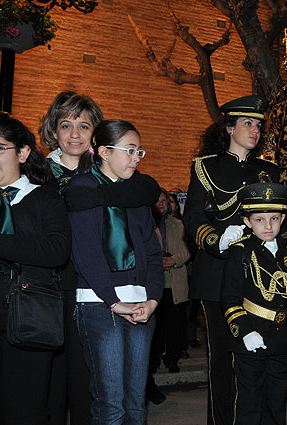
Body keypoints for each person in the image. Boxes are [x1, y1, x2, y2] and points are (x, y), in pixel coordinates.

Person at [39, 90, 161, 425]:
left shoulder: (116, 178)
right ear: (54, 130)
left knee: (104, 391)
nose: (75, 133)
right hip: (68, 289)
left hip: (119, 289)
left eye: (84, 125)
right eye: (66, 125)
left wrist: (94, 193)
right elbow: (84, 245)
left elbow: (148, 193)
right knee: (75, 385)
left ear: (97, 137)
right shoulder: (40, 172)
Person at [182, 95, 280, 425]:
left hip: (260, 277)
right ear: (229, 127)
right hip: (218, 274)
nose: (255, 130)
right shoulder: (205, 166)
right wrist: (215, 239)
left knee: (259, 359)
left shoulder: (269, 171)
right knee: (221, 362)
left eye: (258, 125)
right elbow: (193, 217)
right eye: (247, 123)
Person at [67, 119, 163, 425]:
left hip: (141, 304)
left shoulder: (135, 195)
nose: (136, 158)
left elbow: (151, 251)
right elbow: (86, 253)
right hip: (99, 304)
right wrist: (112, 300)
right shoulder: (82, 189)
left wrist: (154, 300)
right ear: (104, 152)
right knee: (111, 406)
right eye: (130, 150)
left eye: (139, 152)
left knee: (136, 406)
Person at [0, 112, 72, 424]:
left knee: (26, 410)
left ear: (22, 152)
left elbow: (58, 250)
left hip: (32, 321)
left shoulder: (45, 198)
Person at [220, 182, 287, 425]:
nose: (268, 226)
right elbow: (229, 298)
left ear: (283, 219)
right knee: (249, 405)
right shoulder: (240, 251)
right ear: (247, 222)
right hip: (252, 340)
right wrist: (245, 332)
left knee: (276, 404)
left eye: (274, 219)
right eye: (260, 219)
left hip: (281, 340)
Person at [150, 188, 191, 373]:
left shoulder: (179, 225)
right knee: (156, 327)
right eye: (158, 201)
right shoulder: (147, 225)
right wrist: (156, 262)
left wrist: (174, 259)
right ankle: (154, 359)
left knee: (175, 326)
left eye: (164, 201)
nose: (162, 204)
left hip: (176, 284)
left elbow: (188, 249)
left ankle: (172, 358)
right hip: (155, 285)